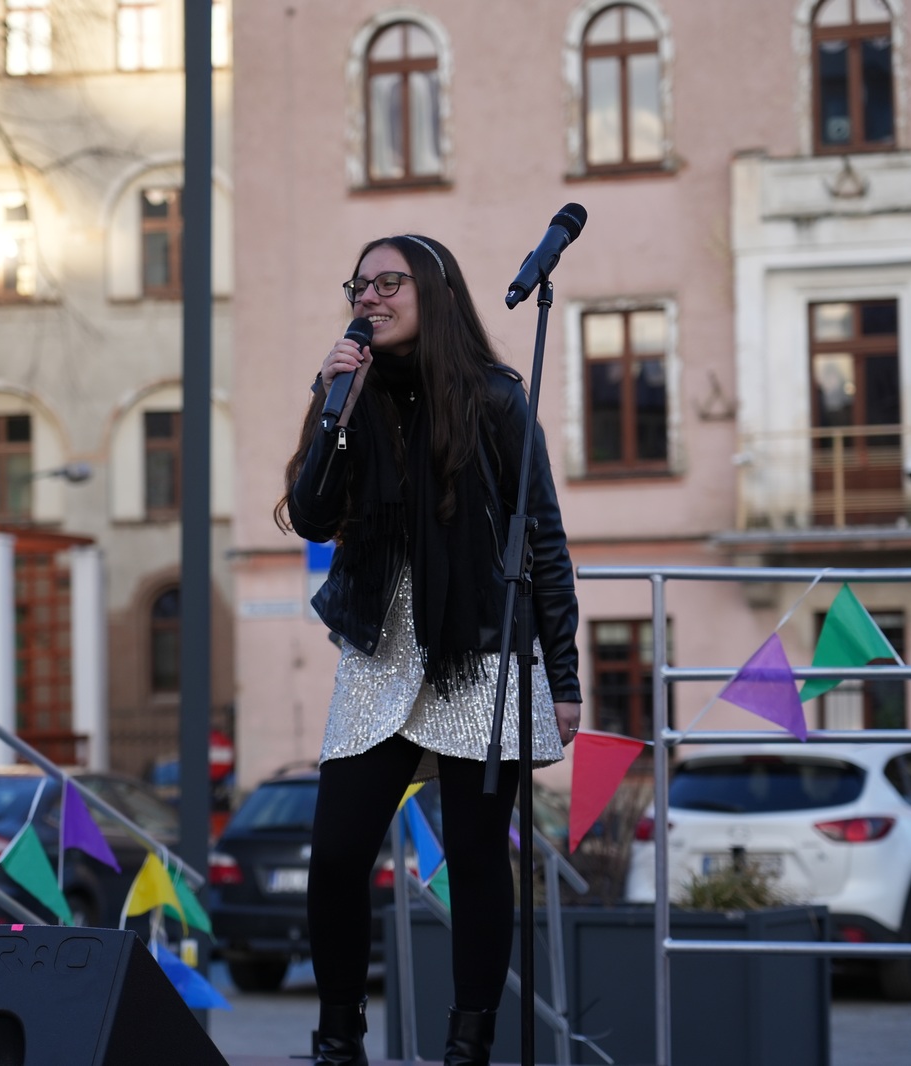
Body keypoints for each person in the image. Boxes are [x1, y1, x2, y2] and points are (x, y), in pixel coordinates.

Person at [274, 234, 581, 1066]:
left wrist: (563, 677)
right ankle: (339, 1040)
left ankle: (467, 1044)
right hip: (382, 649)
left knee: (476, 857)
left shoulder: (494, 399)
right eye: (358, 285)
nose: (368, 297)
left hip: (478, 648)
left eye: (388, 282)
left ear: (435, 293)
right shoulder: (349, 393)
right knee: (337, 855)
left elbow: (542, 540)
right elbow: (311, 514)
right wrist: (334, 404)